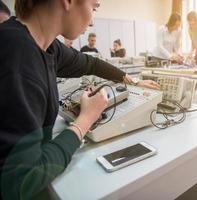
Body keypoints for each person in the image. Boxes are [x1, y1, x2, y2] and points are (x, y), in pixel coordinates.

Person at [0, 0, 160, 199]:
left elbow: (90, 63)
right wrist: (85, 120)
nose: (92, 22)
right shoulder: (18, 55)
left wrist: (130, 80)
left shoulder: (47, 46)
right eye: (93, 7)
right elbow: (21, 181)